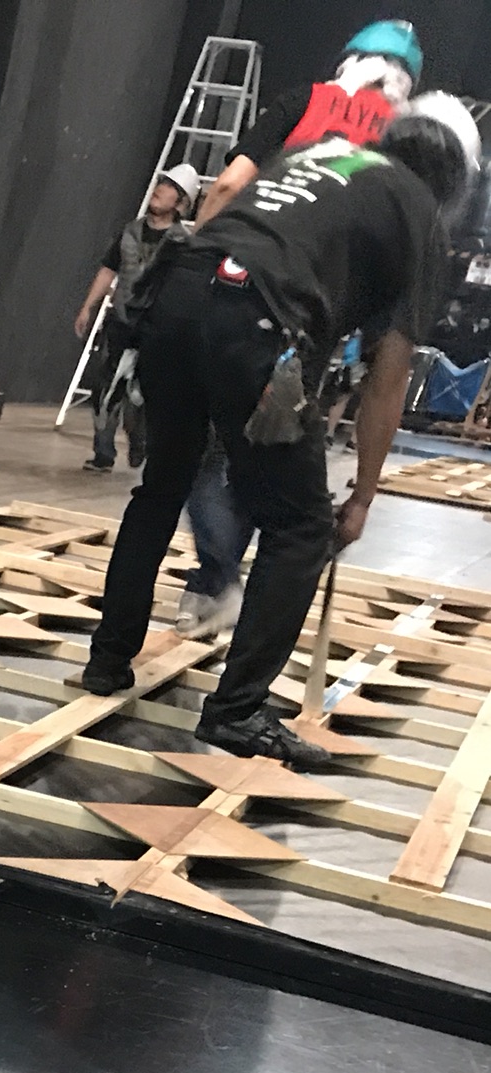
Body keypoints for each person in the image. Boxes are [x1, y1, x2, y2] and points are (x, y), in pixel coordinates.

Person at [82, 97, 476, 770]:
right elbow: (390, 374)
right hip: (252, 314)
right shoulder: (416, 211)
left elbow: (232, 198)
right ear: (453, 181)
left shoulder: (319, 155)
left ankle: (107, 660)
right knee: (300, 527)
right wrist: (362, 498)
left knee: (163, 485)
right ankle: (237, 711)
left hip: (176, 295)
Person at [175, 22, 427, 633]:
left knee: (195, 447)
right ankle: (228, 589)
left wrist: (188, 263)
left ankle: (214, 580)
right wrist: (363, 494)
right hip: (313, 320)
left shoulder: (306, 101)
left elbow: (230, 183)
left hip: (231, 284)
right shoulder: (401, 143)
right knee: (263, 447)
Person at [195, 20, 425, 226]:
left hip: (268, 238)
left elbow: (230, 185)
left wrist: (197, 243)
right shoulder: (407, 137)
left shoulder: (305, 99)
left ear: (350, 61)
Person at [75, 166, 202, 471]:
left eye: (169, 187)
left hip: (156, 330)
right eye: (161, 183)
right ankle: (103, 453)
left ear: (180, 202)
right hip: (121, 323)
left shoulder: (182, 243)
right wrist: (88, 306)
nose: (160, 190)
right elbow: (109, 269)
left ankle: (139, 440)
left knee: (142, 396)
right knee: (105, 390)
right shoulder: (129, 232)